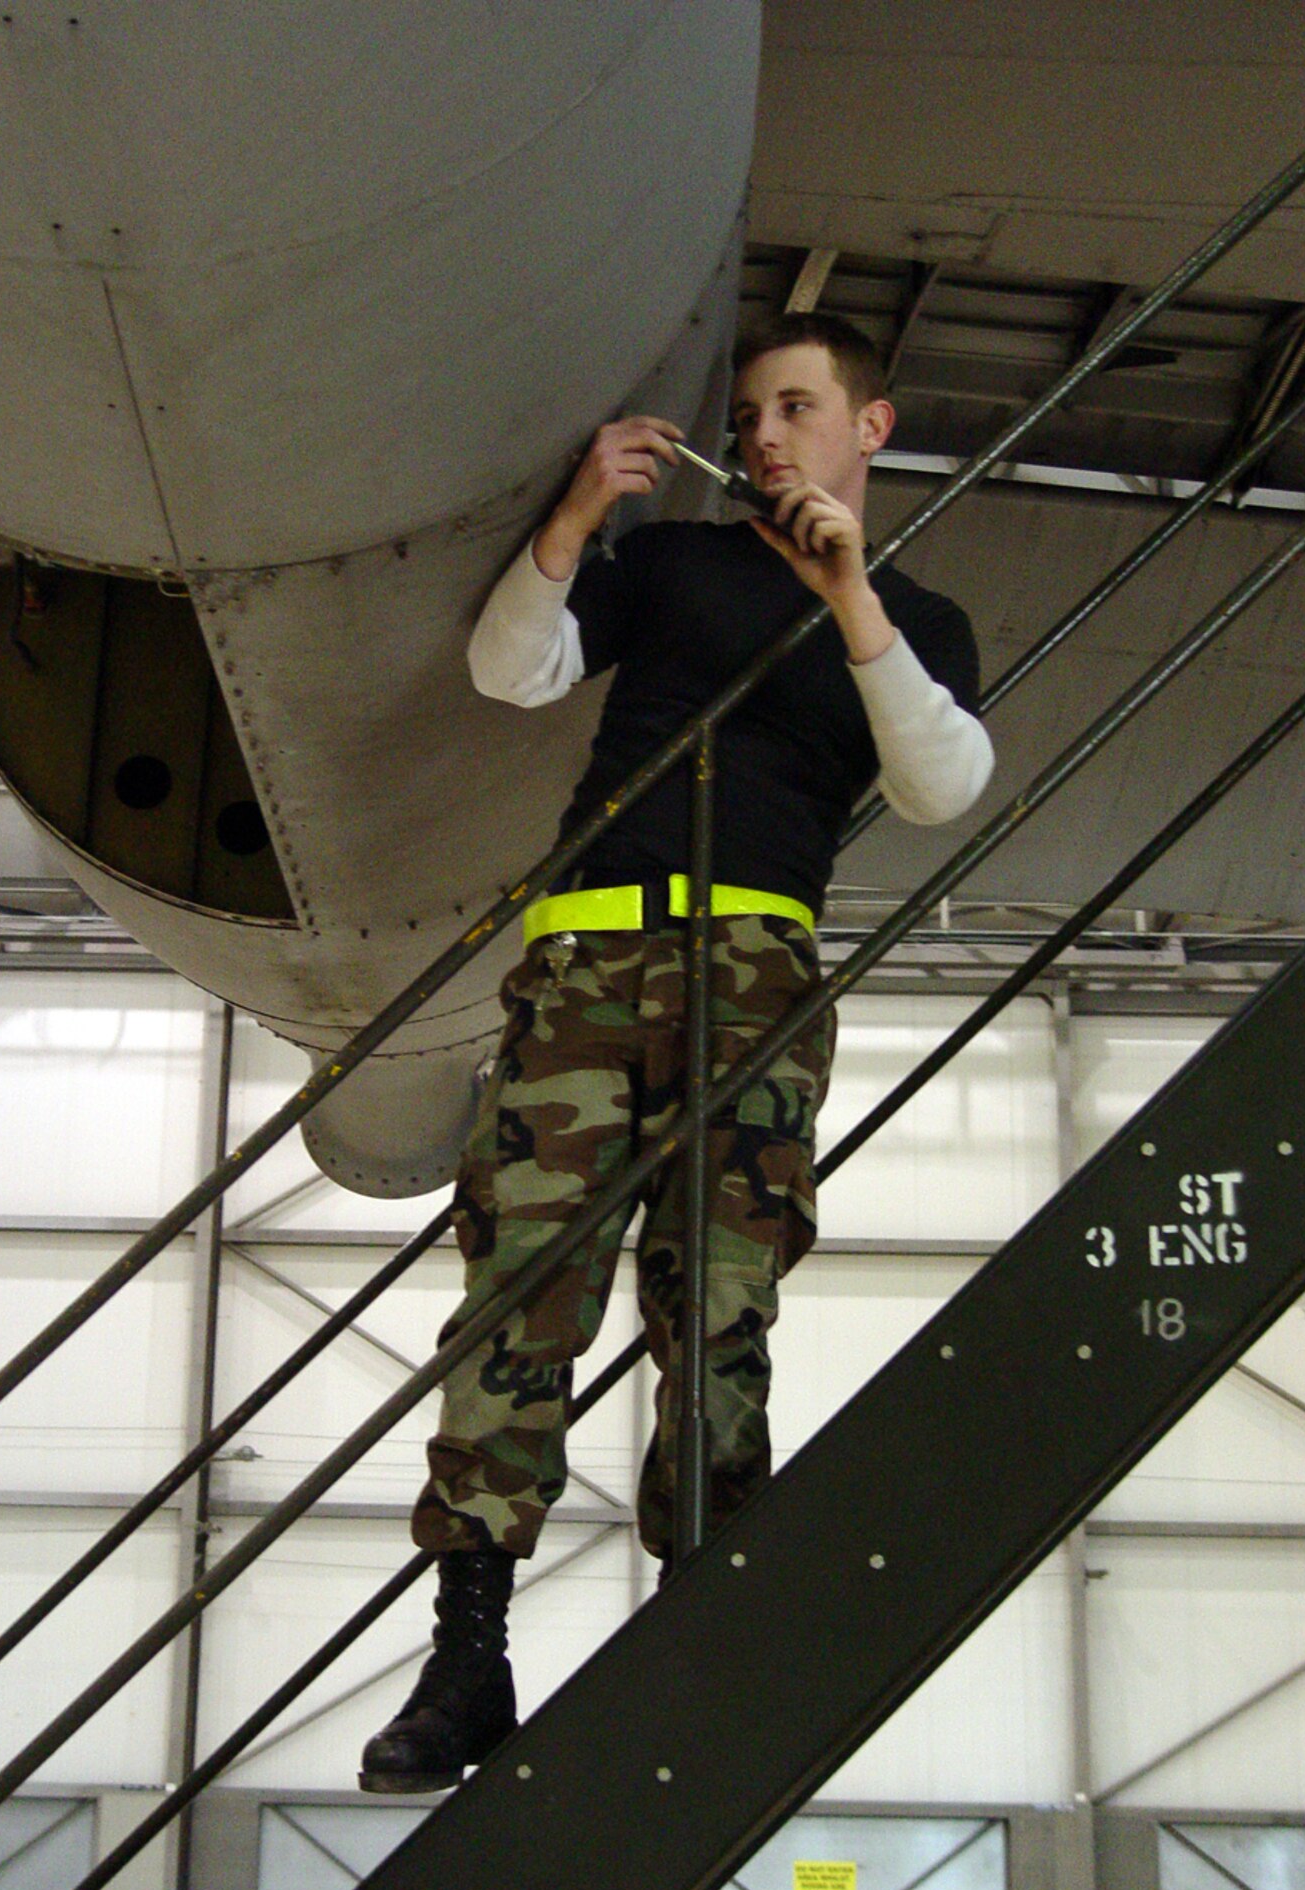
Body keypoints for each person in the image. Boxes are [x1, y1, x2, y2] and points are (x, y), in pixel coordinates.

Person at [359, 314, 994, 1793]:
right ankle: (469, 1656)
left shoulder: (913, 619)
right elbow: (514, 672)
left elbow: (941, 782)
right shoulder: (677, 564)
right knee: (519, 1293)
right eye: (750, 412)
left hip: (756, 970)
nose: (764, 435)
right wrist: (584, 515)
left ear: (869, 429)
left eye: (795, 406)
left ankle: (700, 1639)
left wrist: (849, 596)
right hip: (586, 954)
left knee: (717, 1307)